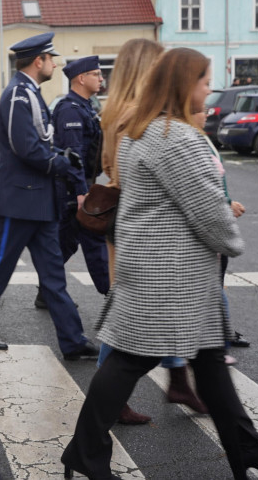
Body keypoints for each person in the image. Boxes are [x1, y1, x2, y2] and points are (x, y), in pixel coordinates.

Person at [61, 47, 258, 480]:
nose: (211, 91)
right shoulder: (176, 138)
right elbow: (209, 211)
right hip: (170, 275)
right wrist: (231, 239)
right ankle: (84, 452)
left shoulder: (140, 130)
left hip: (167, 269)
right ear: (183, 85)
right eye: (205, 82)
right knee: (128, 362)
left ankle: (245, 448)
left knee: (209, 363)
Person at [0, 33, 97, 361]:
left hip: (41, 202)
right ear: (38, 61)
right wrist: (62, 162)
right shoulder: (17, 96)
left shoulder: (32, 94)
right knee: (1, 266)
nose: (54, 64)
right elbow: (26, 147)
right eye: (51, 59)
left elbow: (43, 140)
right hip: (21, 201)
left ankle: (73, 340)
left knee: (54, 276)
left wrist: (61, 154)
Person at [95, 38, 163, 425]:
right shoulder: (139, 115)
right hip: (139, 221)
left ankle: (184, 377)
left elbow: (107, 164)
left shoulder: (113, 112)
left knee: (128, 307)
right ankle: (109, 402)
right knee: (131, 312)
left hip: (119, 218)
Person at [42, 56, 109, 311]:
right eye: (96, 74)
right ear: (81, 78)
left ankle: (47, 290)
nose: (101, 78)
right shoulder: (70, 109)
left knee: (65, 243)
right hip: (73, 189)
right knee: (94, 241)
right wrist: (82, 192)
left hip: (81, 186)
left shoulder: (86, 106)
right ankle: (113, 296)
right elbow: (74, 155)